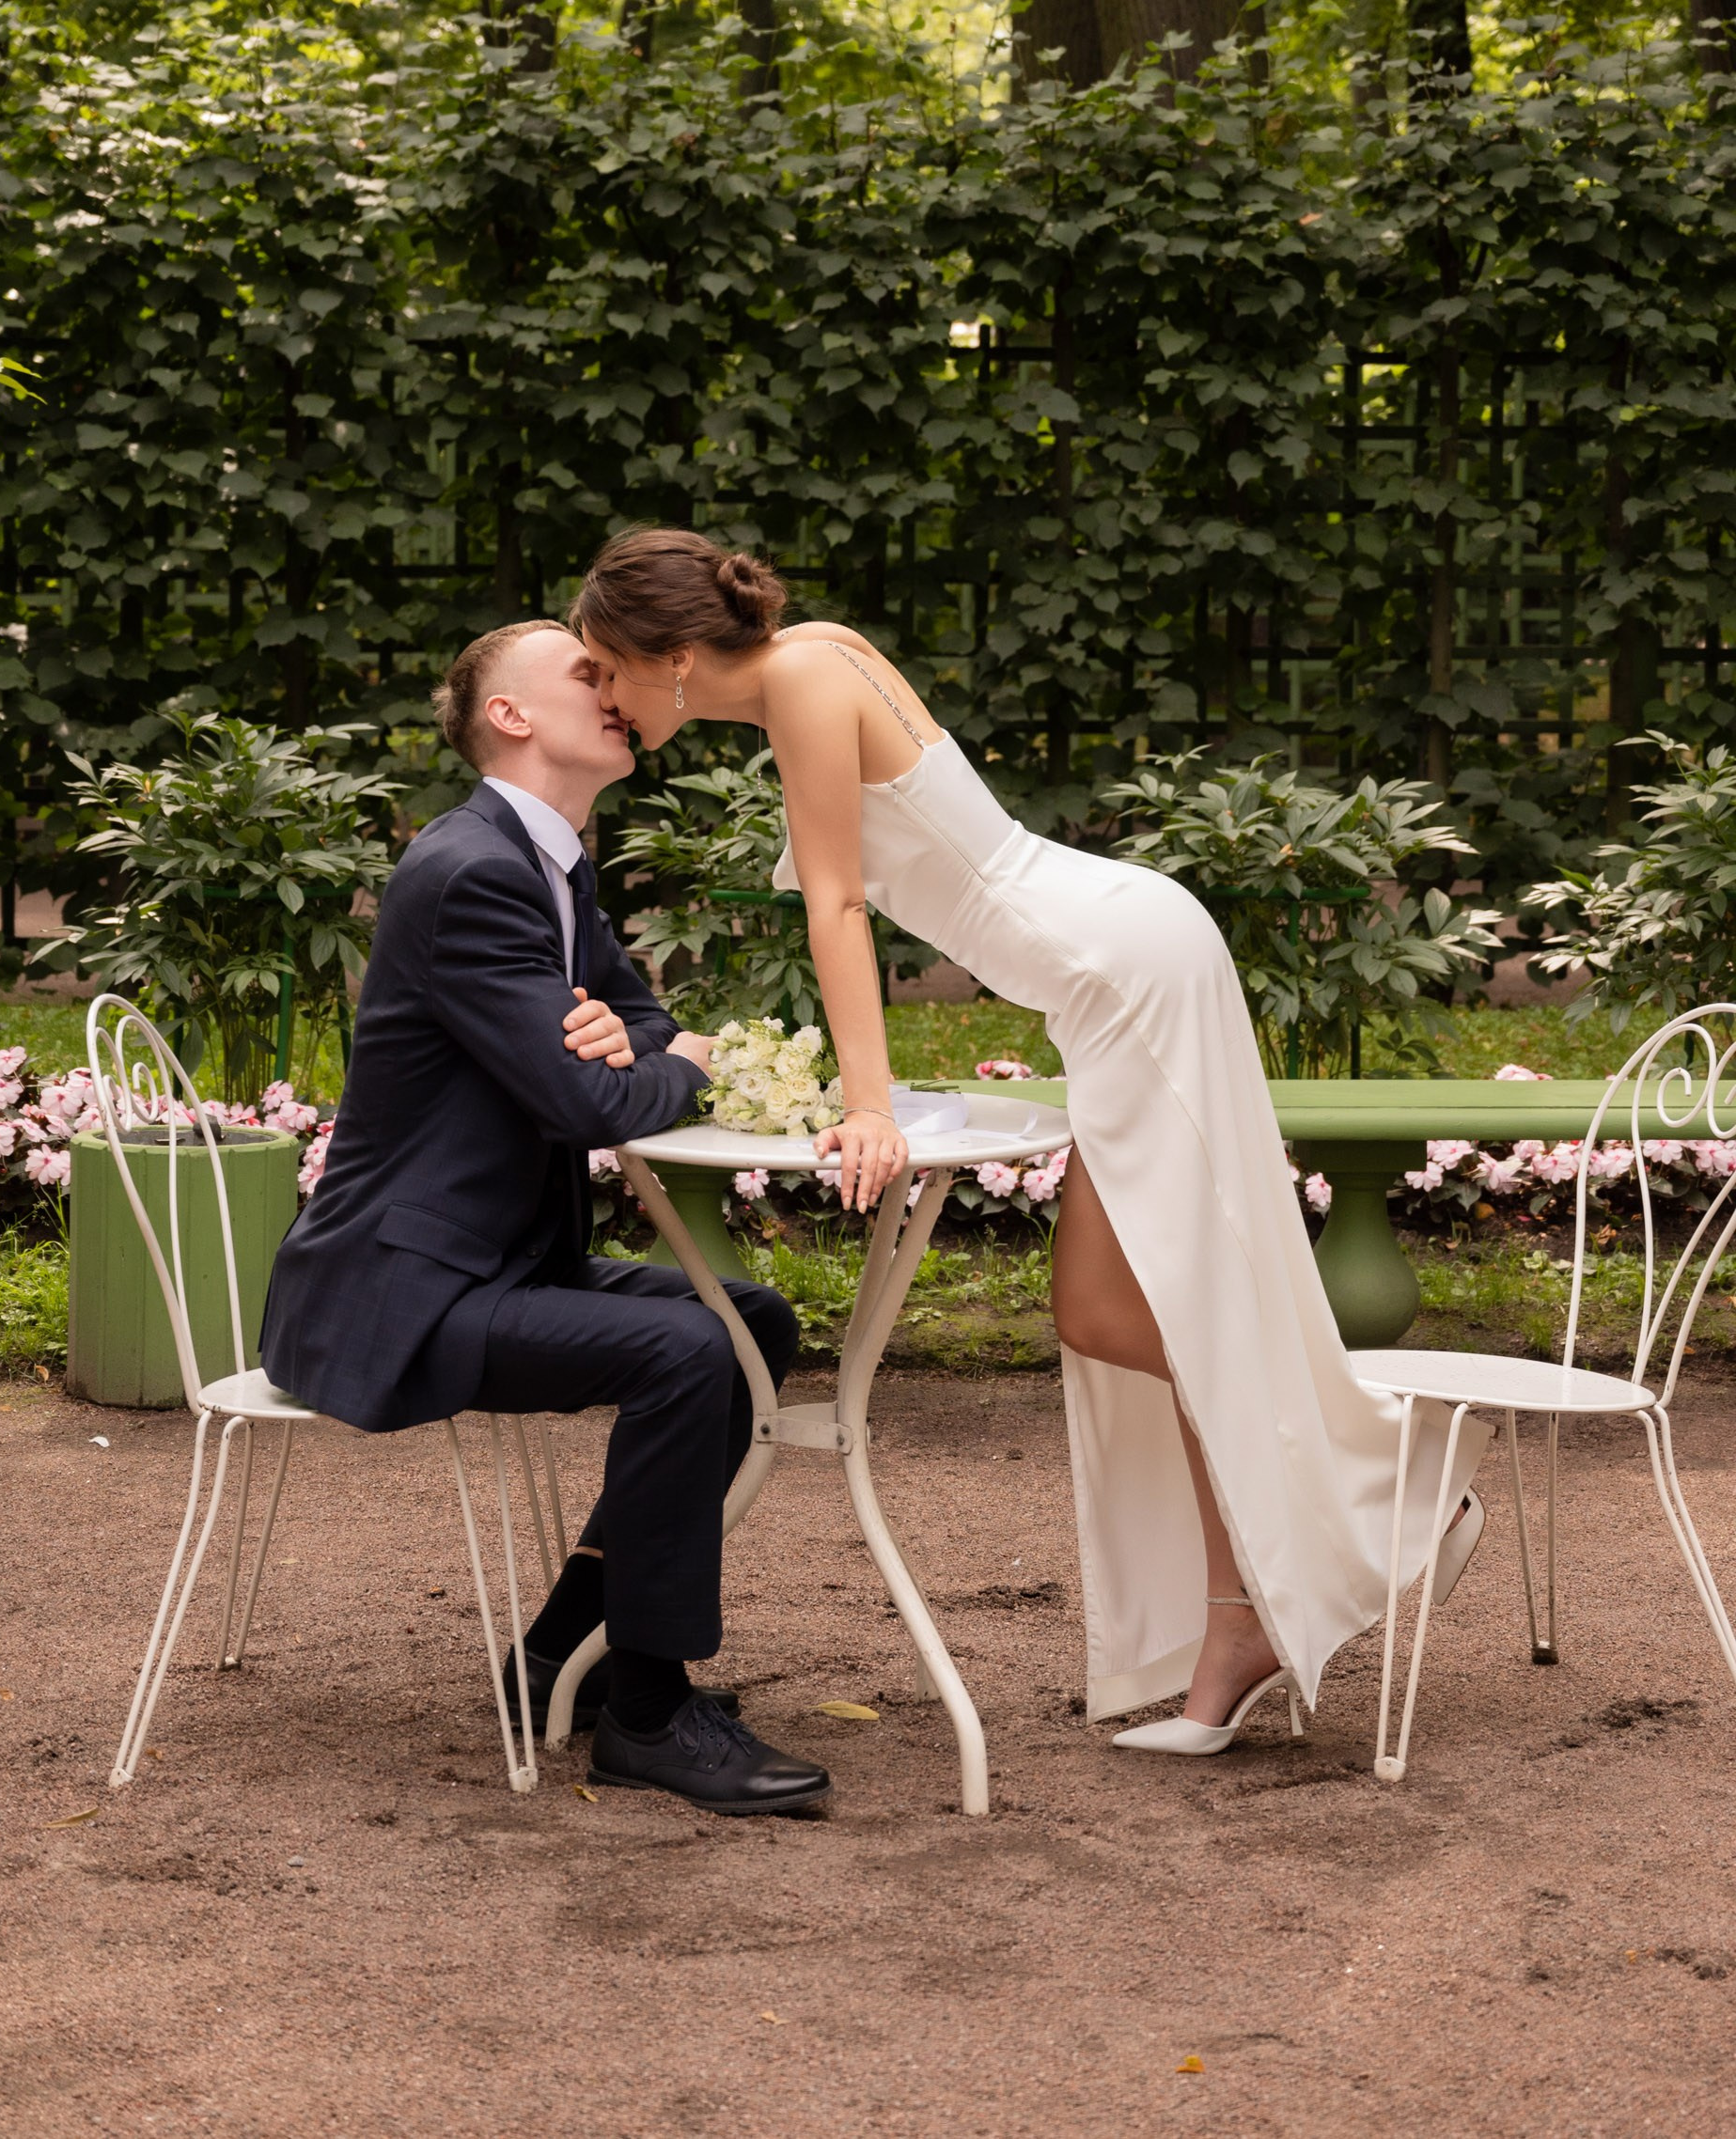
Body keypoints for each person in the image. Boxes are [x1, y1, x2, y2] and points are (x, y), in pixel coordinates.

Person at [572, 530, 1491, 1755]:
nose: (603, 698)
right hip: (1108, 977)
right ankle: (1251, 1608)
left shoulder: (800, 674)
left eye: (605, 670)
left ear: (673, 657)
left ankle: (1384, 1481)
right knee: (1104, 1315)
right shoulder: (812, 658)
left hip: (1127, 974)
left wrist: (870, 1105)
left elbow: (837, 902)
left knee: (1170, 1300)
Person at [259, 617, 830, 1817]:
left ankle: (559, 1652)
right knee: (685, 1348)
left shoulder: (551, 867)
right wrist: (676, 1062)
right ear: (508, 714)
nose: (616, 685)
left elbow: (642, 1023)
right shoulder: (470, 872)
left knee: (748, 1321)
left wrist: (646, 1043)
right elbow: (590, 1099)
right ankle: (648, 1712)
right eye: (585, 671)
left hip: (494, 1264)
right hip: (399, 1293)